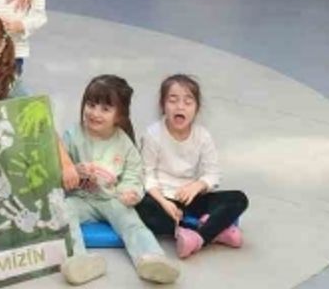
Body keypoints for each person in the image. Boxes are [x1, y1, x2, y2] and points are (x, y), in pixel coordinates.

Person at [59, 75, 180, 286]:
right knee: (62, 213)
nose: (95, 113)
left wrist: (130, 192)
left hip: (112, 198)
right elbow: (59, 166)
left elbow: (134, 174)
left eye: (105, 109)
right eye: (91, 105)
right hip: (80, 198)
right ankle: (78, 259)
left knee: (132, 223)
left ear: (119, 115)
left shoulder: (124, 143)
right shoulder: (72, 135)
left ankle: (151, 258)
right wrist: (73, 171)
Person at [136, 75, 248, 258]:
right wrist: (164, 202)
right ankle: (213, 229)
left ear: (196, 108)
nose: (180, 107)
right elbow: (146, 175)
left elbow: (213, 174)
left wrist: (197, 186)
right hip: (161, 199)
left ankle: (199, 237)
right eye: (173, 100)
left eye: (188, 102)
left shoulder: (202, 136)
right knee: (141, 207)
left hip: (191, 197)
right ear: (163, 105)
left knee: (238, 199)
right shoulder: (153, 134)